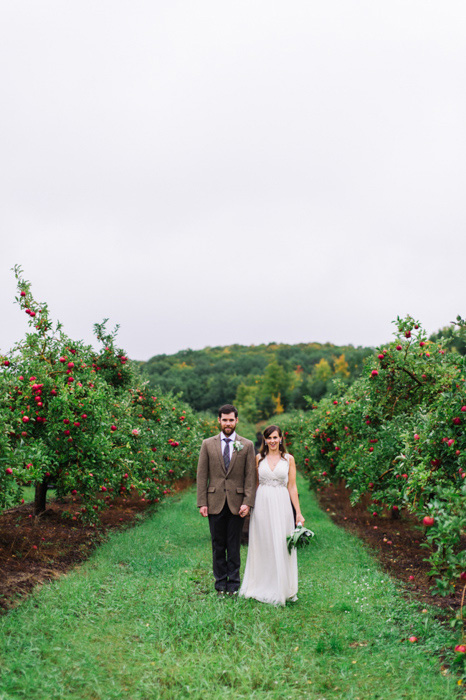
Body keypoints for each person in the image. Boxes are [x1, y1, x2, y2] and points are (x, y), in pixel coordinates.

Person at [239, 424, 305, 605]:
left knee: (282, 543)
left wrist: (298, 513)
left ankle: (281, 586)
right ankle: (260, 585)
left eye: (276, 437)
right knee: (263, 542)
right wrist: (248, 505)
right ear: (264, 440)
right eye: (269, 438)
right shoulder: (258, 458)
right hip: (262, 502)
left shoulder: (289, 459)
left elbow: (292, 486)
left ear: (281, 439)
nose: (273, 441)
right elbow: (255, 484)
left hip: (282, 503)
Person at [197, 404, 256, 595]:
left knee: (234, 545)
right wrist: (202, 502)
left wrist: (247, 502)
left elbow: (250, 477)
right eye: (225, 420)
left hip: (237, 503)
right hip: (214, 501)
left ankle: (234, 583)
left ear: (237, 421)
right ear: (219, 421)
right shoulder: (207, 444)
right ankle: (220, 583)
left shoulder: (247, 445)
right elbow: (201, 475)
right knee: (217, 544)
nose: (228, 423)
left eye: (231, 420)